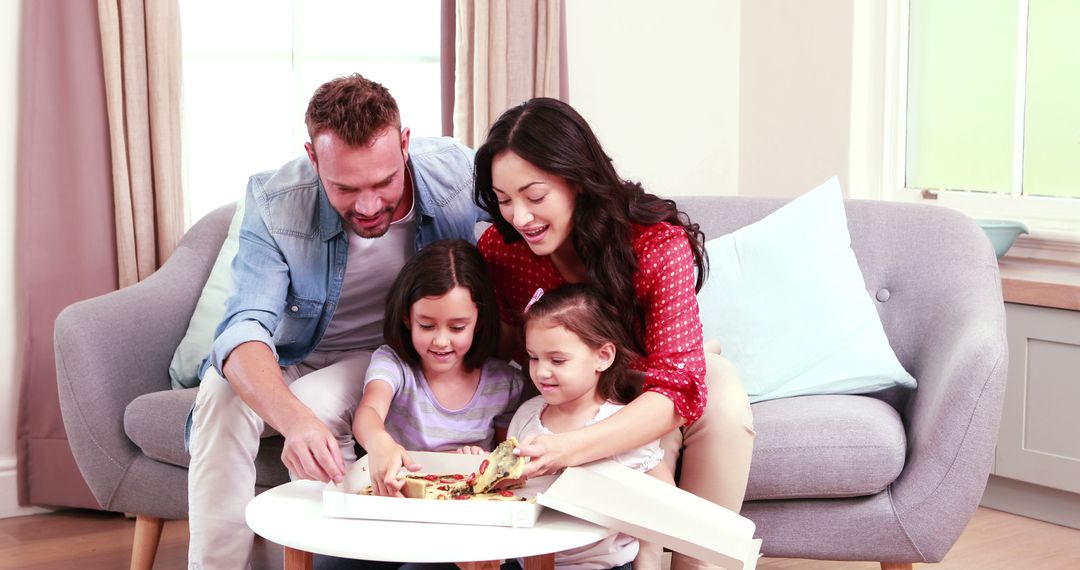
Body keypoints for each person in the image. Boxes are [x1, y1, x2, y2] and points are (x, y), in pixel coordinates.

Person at [187, 74, 485, 569]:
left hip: (384, 357)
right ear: (313, 157)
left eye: (384, 182)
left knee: (316, 405)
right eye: (345, 187)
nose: (368, 206)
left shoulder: (457, 177)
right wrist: (294, 422)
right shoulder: (275, 200)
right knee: (218, 396)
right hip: (295, 354)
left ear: (405, 144)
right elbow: (243, 328)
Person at [473, 97, 756, 570]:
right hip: (590, 391)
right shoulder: (503, 252)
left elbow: (678, 389)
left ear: (577, 181)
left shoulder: (655, 244)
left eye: (535, 196)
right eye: (504, 201)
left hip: (656, 380)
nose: (519, 218)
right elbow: (503, 346)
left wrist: (567, 448)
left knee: (721, 401)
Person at [508, 284, 662, 570]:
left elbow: (650, 518)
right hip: (527, 561)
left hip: (601, 566)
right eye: (533, 357)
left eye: (557, 360)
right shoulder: (528, 415)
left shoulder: (621, 426)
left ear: (603, 356)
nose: (541, 371)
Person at [354, 239, 524, 496]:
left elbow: (507, 468)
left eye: (457, 328)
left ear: (478, 321)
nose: (441, 341)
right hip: (403, 503)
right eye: (427, 325)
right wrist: (379, 443)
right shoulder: (395, 365)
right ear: (406, 317)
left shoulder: (505, 384)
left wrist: (478, 462)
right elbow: (369, 410)